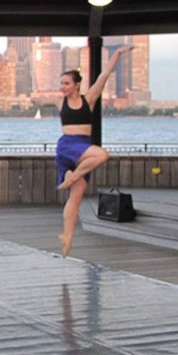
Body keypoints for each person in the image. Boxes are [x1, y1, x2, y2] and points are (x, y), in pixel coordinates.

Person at [56, 45, 133, 257]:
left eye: (66, 83)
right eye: (61, 83)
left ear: (77, 85)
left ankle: (67, 236)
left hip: (83, 146)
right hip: (67, 146)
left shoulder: (87, 99)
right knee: (102, 154)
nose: (63, 86)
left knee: (76, 197)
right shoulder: (59, 101)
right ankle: (71, 177)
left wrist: (117, 54)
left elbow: (104, 75)